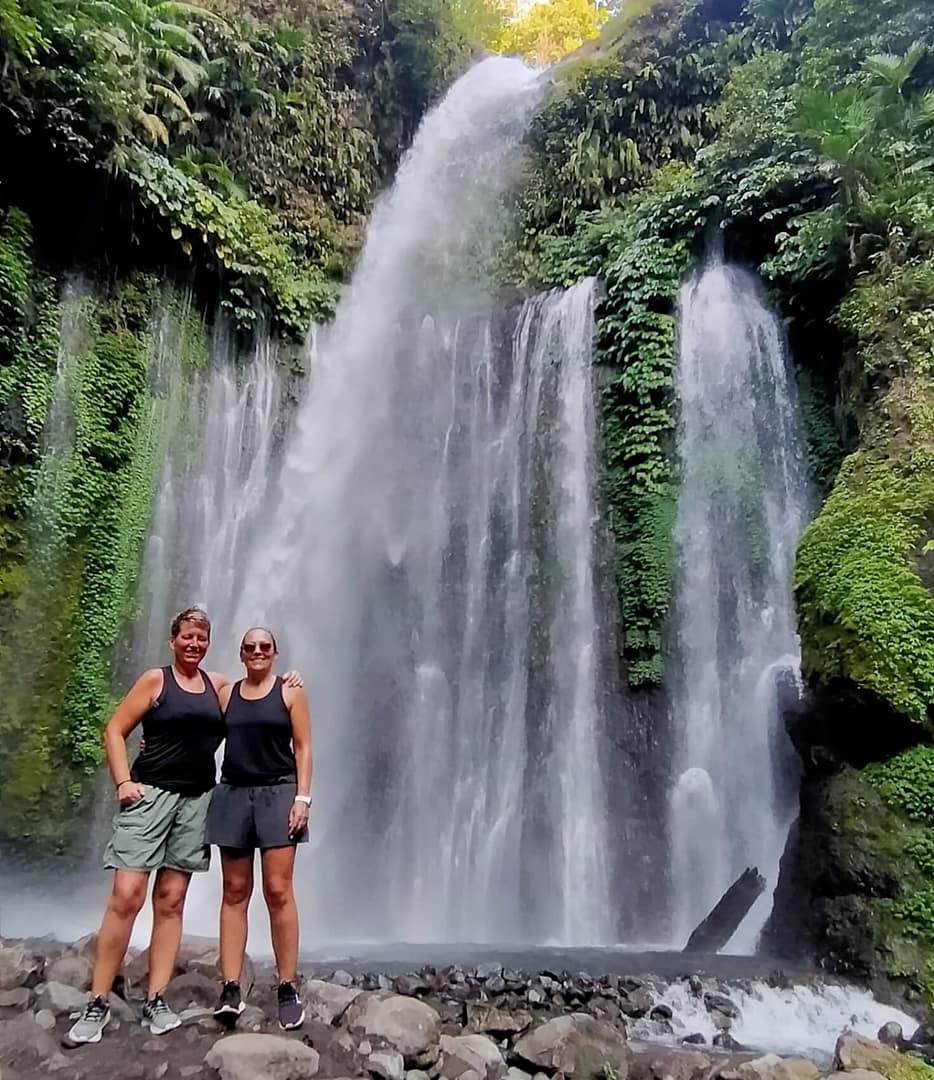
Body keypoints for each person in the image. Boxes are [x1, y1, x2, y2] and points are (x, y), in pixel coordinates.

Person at [64, 608, 302, 1048]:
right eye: (187, 637)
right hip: (149, 796)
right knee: (127, 895)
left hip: (197, 802)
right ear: (173, 640)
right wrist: (123, 782)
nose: (194, 644)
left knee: (171, 900)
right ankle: (97, 999)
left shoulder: (218, 687)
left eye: (201, 639)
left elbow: (262, 692)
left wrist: (290, 679)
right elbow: (114, 729)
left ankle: (156, 996)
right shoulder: (156, 681)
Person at [206, 626, 312, 1032]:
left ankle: (287, 986)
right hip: (233, 793)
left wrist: (303, 798)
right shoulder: (226, 693)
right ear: (240, 653)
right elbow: (200, 723)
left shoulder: (290, 691)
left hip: (278, 793)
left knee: (278, 890)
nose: (257, 652)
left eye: (264, 646)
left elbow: (303, 746)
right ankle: (231, 986)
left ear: (275, 652)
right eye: (250, 647)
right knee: (234, 891)